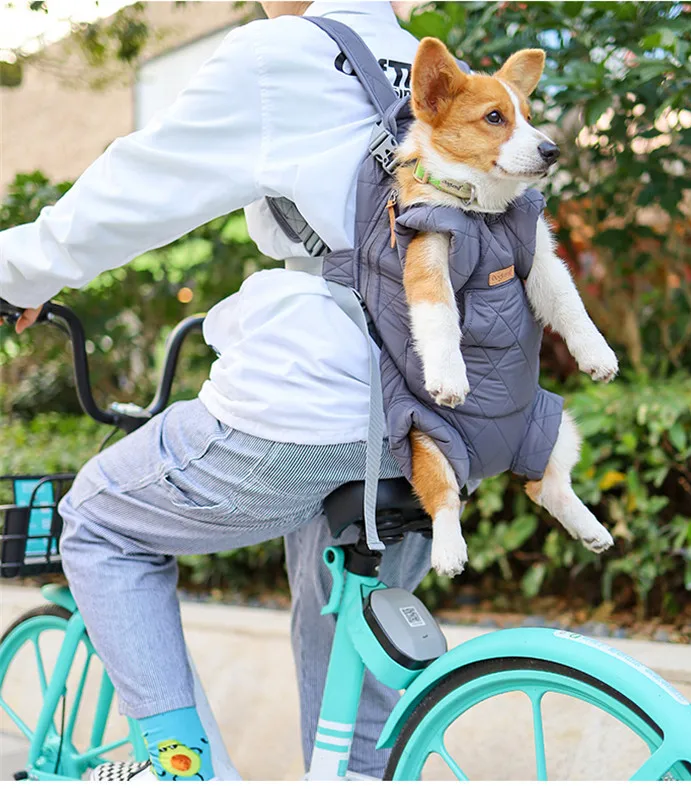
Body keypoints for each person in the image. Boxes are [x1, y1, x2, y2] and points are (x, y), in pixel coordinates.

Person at [0, 1, 431, 780]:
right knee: (346, 633)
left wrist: (17, 272)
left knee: (98, 520)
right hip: (428, 418)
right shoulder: (427, 63)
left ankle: (182, 769)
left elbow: (136, 189)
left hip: (312, 398)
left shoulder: (283, 53)